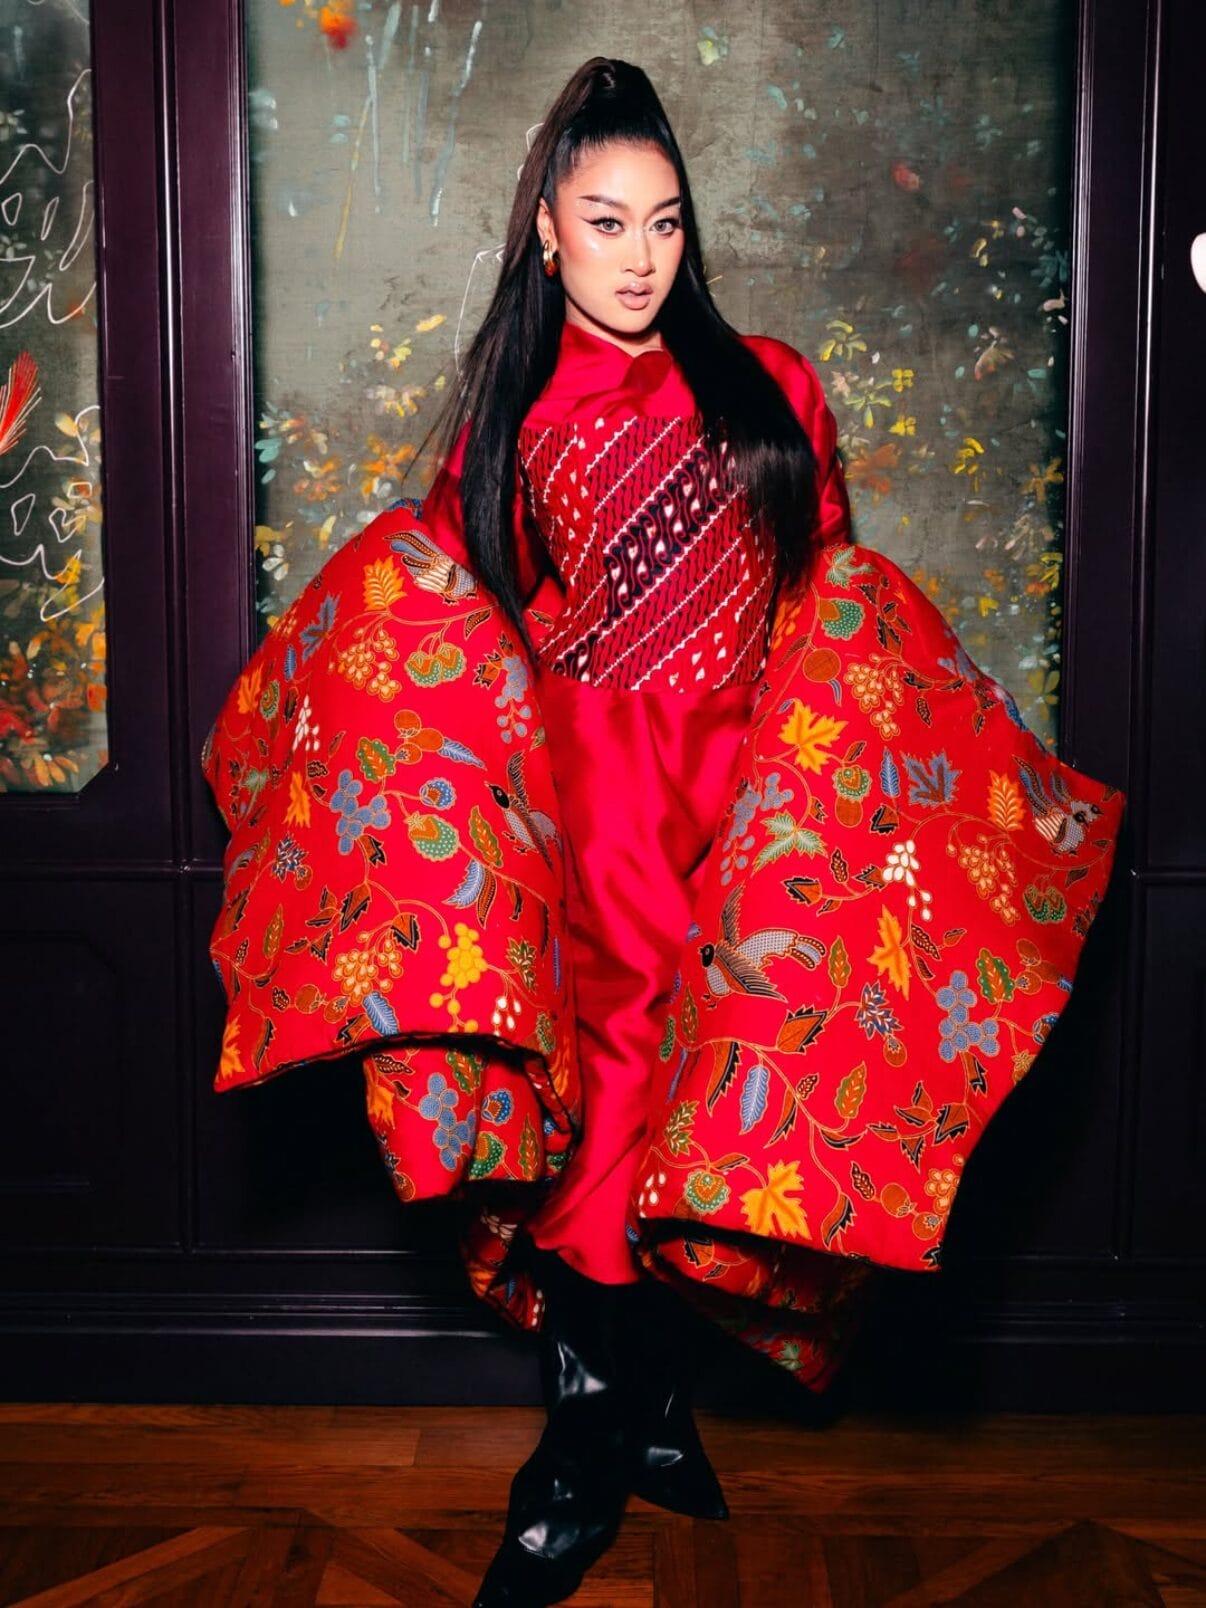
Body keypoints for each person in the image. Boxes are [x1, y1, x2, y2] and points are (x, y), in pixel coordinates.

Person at [203, 58, 1124, 1608]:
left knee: (723, 1107)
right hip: (593, 806)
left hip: (762, 794)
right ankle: (581, 1448)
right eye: (605, 220)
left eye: (664, 222)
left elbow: (826, 583)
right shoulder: (514, 407)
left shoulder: (771, 379)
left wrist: (840, 783)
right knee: (615, 1099)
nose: (638, 256)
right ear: (545, 232)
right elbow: (458, 607)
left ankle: (642, 1408)